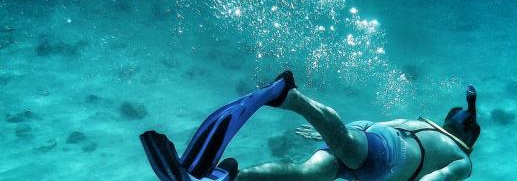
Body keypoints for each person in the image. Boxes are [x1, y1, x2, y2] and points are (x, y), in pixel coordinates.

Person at [140, 71, 480, 181]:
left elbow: (371, 126)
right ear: (469, 137)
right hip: (388, 157)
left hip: (374, 138)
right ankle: (292, 97)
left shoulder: (420, 121)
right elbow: (438, 180)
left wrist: (326, 131)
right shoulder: (461, 159)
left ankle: (226, 178)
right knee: (345, 146)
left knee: (307, 174)